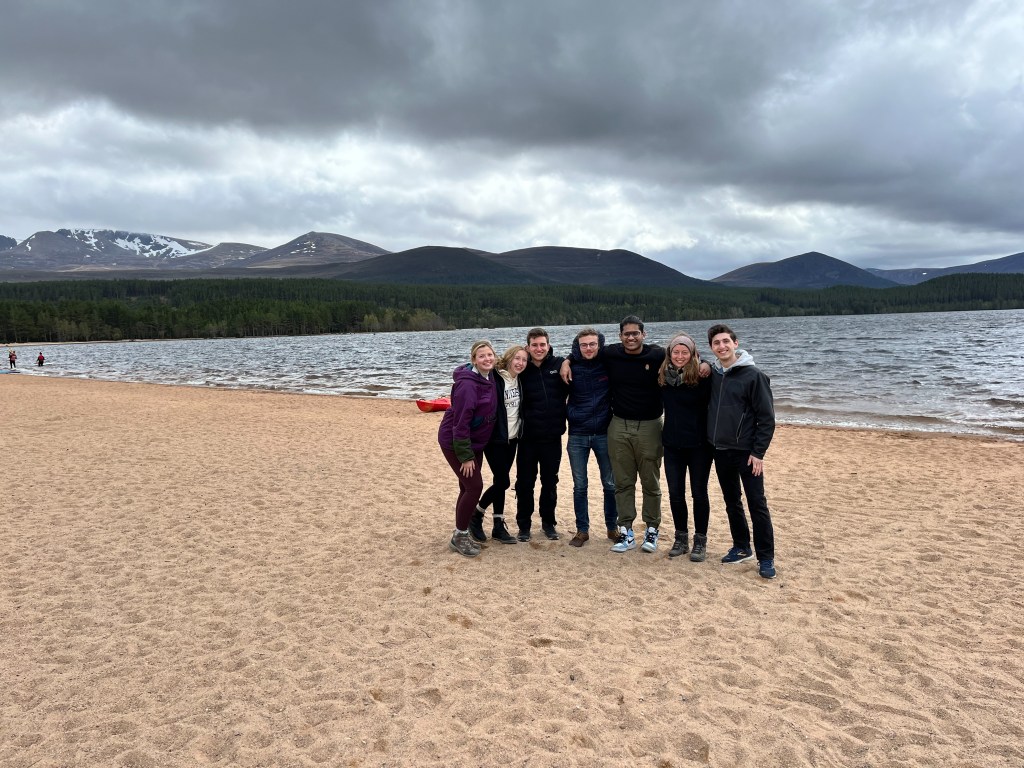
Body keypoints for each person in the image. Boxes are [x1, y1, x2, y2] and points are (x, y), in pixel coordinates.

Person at [706, 324, 778, 579]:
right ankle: (741, 547)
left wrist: (758, 452)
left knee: (757, 504)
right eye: (717, 343)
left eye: (726, 341)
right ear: (712, 348)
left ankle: (766, 558)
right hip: (720, 450)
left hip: (747, 453)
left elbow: (766, 418)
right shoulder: (713, 373)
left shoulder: (753, 376)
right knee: (732, 502)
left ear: (736, 343)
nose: (722, 346)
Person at [437, 340, 499, 558]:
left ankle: (461, 531)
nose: (487, 359)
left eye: (490, 355)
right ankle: (460, 534)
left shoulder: (489, 375)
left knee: (466, 487)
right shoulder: (467, 386)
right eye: (482, 356)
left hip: (476, 442)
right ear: (474, 360)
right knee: (474, 486)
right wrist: (465, 456)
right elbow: (460, 424)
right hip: (456, 441)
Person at [659, 333, 714, 561]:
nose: (680, 356)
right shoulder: (663, 377)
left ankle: (699, 541)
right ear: (669, 354)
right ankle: (681, 539)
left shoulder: (703, 376)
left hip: (699, 445)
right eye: (676, 352)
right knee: (675, 494)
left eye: (685, 352)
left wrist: (708, 364)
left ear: (693, 354)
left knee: (699, 494)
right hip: (672, 444)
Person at [564, 328, 617, 547]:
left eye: (592, 344)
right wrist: (567, 361)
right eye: (584, 344)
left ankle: (612, 528)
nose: (588, 348)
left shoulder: (608, 363)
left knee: (610, 484)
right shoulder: (570, 367)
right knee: (580, 485)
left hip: (604, 432)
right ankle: (582, 530)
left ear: (599, 344)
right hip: (577, 433)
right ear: (578, 346)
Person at [514, 327, 569, 542]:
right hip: (527, 437)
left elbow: (578, 358)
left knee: (550, 482)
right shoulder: (521, 367)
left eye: (542, 345)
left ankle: (548, 523)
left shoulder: (559, 364)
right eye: (534, 345)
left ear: (548, 345)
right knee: (525, 483)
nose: (539, 349)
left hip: (552, 436)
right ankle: (524, 526)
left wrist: (567, 361)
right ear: (528, 346)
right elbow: (496, 369)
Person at [471, 344, 528, 545]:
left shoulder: (520, 380)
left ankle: (497, 526)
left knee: (499, 481)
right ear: (509, 357)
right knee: (503, 482)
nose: (520, 363)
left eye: (524, 360)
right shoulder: (495, 377)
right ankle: (476, 513)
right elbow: (472, 370)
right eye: (517, 358)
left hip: (513, 438)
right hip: (494, 439)